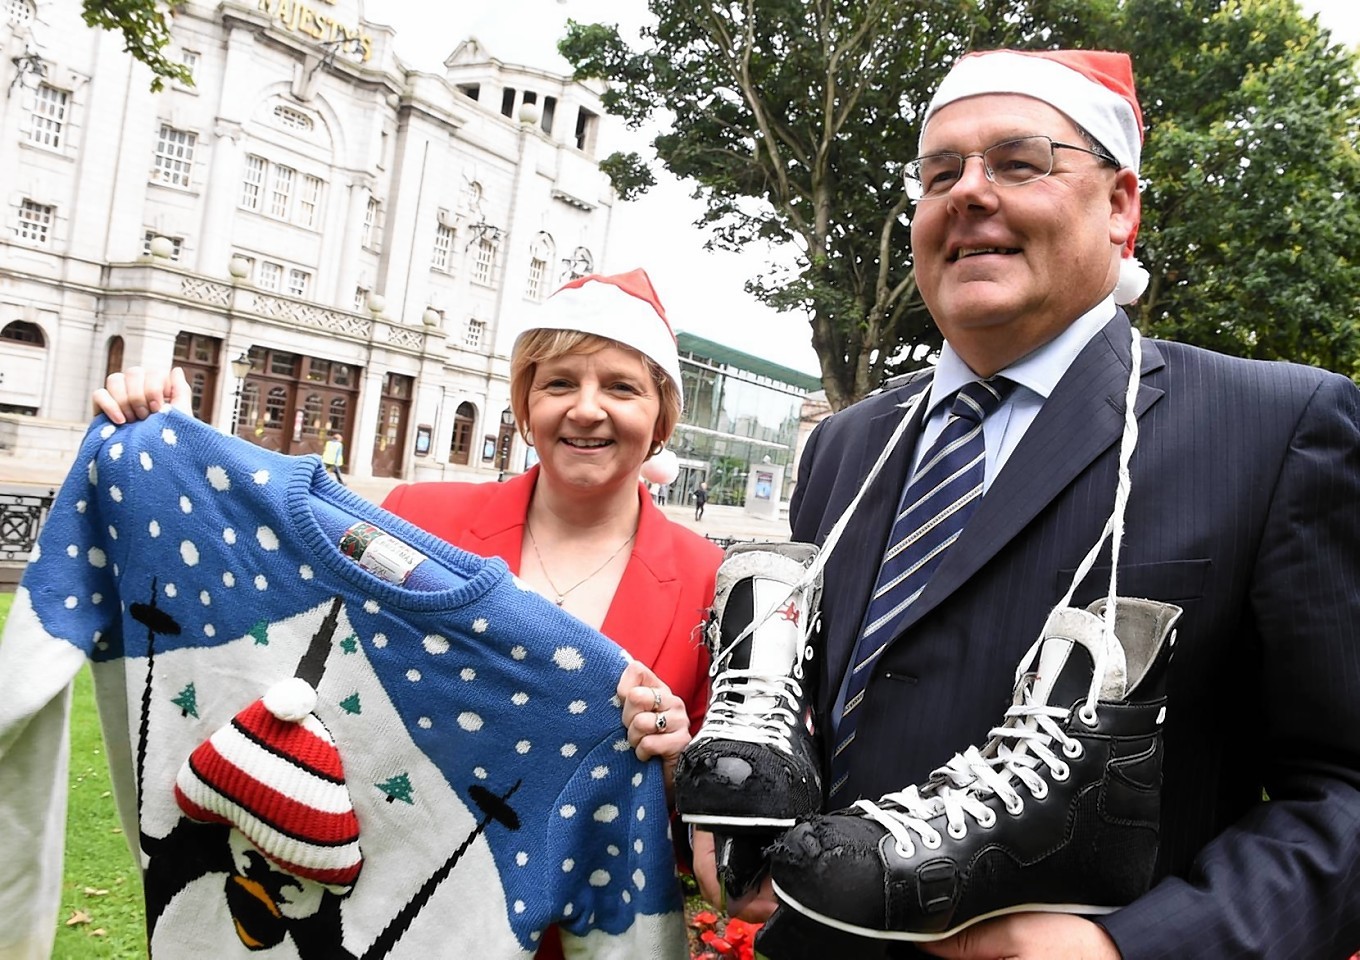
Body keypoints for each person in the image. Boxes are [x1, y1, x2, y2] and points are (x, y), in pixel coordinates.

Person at [698, 48, 1360, 959]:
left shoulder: (1278, 428)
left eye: (1019, 162)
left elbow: (1343, 789)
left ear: (1121, 205)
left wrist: (1129, 950)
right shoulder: (846, 446)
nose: (968, 193)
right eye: (940, 173)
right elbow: (814, 709)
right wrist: (740, 815)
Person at [93, 268, 725, 960]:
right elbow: (273, 582)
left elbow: (712, 839)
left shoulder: (708, 581)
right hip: (389, 924)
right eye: (560, 383)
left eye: (621, 387)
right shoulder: (417, 520)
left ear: (661, 417)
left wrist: (677, 766)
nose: (586, 408)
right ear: (524, 402)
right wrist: (177, 442)